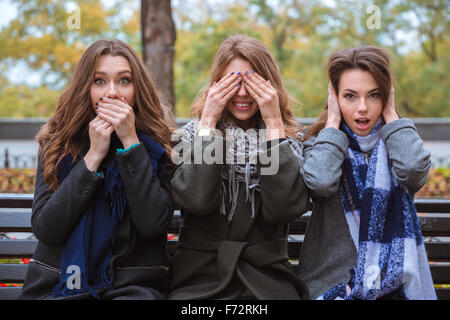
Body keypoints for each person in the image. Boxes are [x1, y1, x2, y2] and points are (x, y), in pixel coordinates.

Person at [19, 39, 175, 300]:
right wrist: (92, 156)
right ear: (84, 87)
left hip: (131, 287)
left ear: (138, 89)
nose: (112, 93)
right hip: (59, 284)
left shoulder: (158, 146)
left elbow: (153, 224)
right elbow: (48, 229)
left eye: (124, 81)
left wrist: (131, 144)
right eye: (99, 81)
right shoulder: (58, 142)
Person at [168, 34, 309, 300]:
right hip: (199, 280)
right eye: (232, 82)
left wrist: (274, 125)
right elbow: (196, 200)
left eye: (251, 83)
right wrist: (208, 122)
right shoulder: (190, 137)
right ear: (215, 86)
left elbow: (284, 209)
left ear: (269, 86)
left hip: (267, 281)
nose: (242, 93)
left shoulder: (288, 141)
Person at [297, 45, 436, 300]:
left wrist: (392, 114)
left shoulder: (397, 140)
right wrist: (332, 124)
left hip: (392, 285)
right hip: (331, 284)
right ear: (334, 98)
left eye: (374, 95)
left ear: (386, 96)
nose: (362, 107)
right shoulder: (321, 142)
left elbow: (414, 171)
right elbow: (320, 182)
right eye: (350, 96)